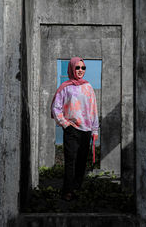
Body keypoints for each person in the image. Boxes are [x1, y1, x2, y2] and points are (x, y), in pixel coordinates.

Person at [51, 57, 99, 201]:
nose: (80, 70)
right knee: (70, 161)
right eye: (77, 67)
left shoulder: (88, 87)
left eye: (83, 68)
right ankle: (67, 191)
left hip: (86, 130)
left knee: (81, 161)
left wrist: (95, 130)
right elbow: (56, 108)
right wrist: (65, 124)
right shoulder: (65, 87)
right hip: (71, 130)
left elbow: (93, 109)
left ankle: (77, 188)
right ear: (72, 68)